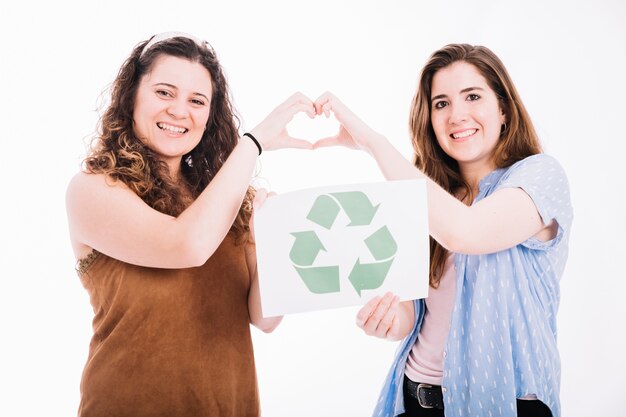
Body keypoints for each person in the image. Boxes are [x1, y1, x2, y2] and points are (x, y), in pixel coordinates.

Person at [312, 44, 572, 417]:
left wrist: (374, 144)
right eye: (441, 103)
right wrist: (387, 319)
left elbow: (467, 231)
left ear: (503, 109)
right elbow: (412, 314)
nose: (456, 115)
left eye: (472, 96)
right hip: (416, 398)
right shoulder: (430, 198)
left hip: (505, 405)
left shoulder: (541, 176)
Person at [65, 32, 315, 417]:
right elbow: (186, 246)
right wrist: (252, 143)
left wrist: (273, 243)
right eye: (165, 92)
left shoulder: (228, 199)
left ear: (209, 117)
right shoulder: (92, 190)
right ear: (132, 96)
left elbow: (265, 318)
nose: (180, 111)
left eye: (197, 101)